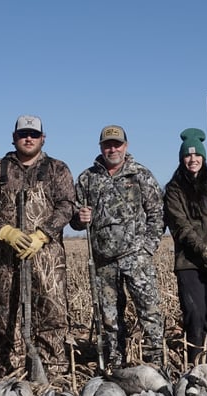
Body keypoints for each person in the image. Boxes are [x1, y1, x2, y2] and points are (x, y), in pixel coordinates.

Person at [0, 115, 75, 379]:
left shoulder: (58, 169)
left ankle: (52, 376)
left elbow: (67, 205)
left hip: (48, 259)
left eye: (33, 134)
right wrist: (4, 231)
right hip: (6, 259)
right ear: (14, 137)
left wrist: (43, 234)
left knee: (52, 313)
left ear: (43, 138)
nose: (27, 138)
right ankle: (12, 375)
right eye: (22, 134)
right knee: (7, 316)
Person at [70, 125, 164, 368]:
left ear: (126, 146)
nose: (112, 148)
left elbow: (157, 214)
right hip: (103, 263)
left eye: (117, 144)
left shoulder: (140, 175)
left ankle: (157, 367)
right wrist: (79, 218)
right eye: (107, 144)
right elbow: (74, 219)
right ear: (101, 147)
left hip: (137, 259)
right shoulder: (87, 178)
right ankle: (115, 368)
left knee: (149, 314)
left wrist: (147, 249)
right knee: (110, 319)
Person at [164, 128, 207, 365]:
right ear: (182, 158)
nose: (192, 160)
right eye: (187, 156)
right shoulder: (173, 190)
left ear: (204, 158)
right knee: (195, 317)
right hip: (189, 262)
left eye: (197, 156)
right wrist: (204, 252)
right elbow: (181, 226)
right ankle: (195, 368)